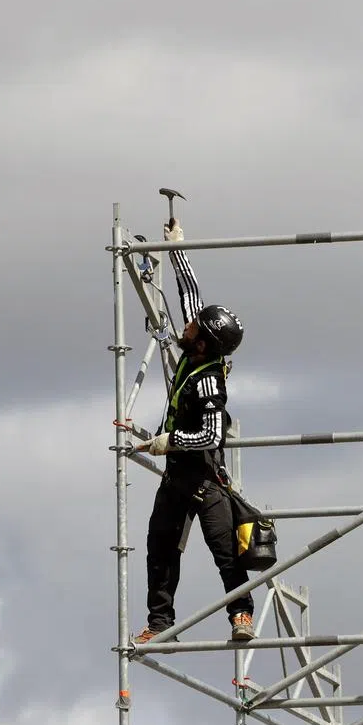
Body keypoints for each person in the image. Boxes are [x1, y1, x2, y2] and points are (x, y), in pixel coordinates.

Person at [133, 217, 254, 644]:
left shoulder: (209, 380)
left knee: (225, 551)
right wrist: (177, 247)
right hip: (176, 477)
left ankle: (241, 617)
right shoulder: (196, 345)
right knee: (160, 548)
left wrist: (170, 441)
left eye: (193, 327)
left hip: (203, 475)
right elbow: (191, 297)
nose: (186, 325)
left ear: (202, 344)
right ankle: (162, 625)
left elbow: (212, 435)